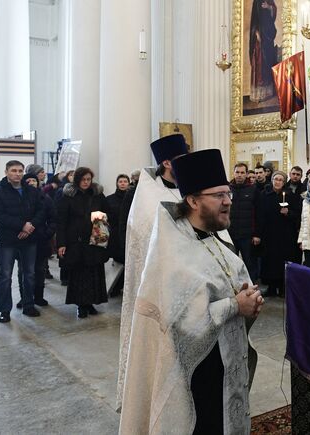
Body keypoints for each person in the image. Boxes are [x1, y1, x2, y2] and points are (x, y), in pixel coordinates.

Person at [119, 149, 263, 434]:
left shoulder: (214, 238)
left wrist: (249, 301)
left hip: (224, 367)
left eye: (228, 194)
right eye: (218, 195)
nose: (227, 202)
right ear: (193, 200)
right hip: (194, 378)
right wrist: (235, 306)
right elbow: (181, 324)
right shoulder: (171, 252)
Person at [116, 133, 188, 411]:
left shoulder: (188, 187)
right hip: (157, 275)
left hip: (185, 275)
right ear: (168, 162)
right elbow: (142, 234)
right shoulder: (146, 192)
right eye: (181, 159)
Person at [0, 161, 46, 322]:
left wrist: (31, 226)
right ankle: (5, 310)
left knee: (29, 274)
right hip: (8, 240)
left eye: (20, 171)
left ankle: (29, 305)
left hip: (29, 239)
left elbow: (41, 211)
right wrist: (22, 225)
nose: (18, 174)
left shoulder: (31, 191)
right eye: (13, 171)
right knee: (6, 276)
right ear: (6, 172)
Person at [56, 167, 110, 319]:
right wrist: (61, 243)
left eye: (88, 179)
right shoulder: (68, 196)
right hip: (76, 241)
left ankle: (91, 302)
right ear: (77, 180)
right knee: (79, 273)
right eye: (83, 179)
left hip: (95, 239)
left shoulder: (98, 195)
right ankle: (81, 305)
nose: (86, 182)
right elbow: (61, 221)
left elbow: (107, 213)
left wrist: (101, 219)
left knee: (94, 273)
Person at [257, 171, 301, 297]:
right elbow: (260, 214)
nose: (277, 182)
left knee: (283, 260)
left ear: (284, 182)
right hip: (269, 233)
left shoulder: (290, 195)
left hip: (285, 234)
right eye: (275, 179)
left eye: (280, 180)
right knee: (270, 261)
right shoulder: (264, 194)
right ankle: (271, 287)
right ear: (272, 180)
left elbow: (297, 214)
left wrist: (288, 213)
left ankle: (283, 288)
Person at [20, 173, 56, 308]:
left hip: (41, 239)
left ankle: (39, 297)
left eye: (33, 180)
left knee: (39, 270)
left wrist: (47, 234)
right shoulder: (20, 198)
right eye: (28, 180)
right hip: (23, 239)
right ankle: (24, 297)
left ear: (38, 182)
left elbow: (53, 219)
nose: (31, 182)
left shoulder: (46, 198)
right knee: (23, 270)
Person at [229, 162, 260, 282]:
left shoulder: (253, 190)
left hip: (247, 235)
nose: (239, 175)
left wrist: (257, 234)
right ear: (233, 172)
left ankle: (252, 288)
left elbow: (259, 213)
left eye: (242, 172)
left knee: (249, 264)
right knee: (231, 263)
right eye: (237, 172)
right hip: (231, 233)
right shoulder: (228, 189)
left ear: (247, 174)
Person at [105, 174, 130, 297]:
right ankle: (115, 286)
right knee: (118, 260)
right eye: (120, 181)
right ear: (117, 183)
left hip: (128, 233)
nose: (123, 183)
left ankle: (126, 285)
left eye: (125, 181)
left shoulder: (133, 198)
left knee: (128, 261)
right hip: (115, 234)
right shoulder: (110, 199)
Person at [249, 0, 278, 103]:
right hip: (259, 37)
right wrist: (256, 32)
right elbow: (254, 19)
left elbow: (273, 12)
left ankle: (267, 92)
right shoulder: (256, 1)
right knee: (259, 63)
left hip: (268, 36)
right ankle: (258, 94)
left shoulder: (269, 1)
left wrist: (269, 7)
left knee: (267, 64)